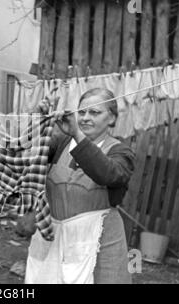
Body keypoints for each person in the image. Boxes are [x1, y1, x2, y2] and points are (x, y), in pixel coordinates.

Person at [23, 88, 135, 284]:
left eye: (94, 112)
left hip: (100, 242)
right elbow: (28, 156)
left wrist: (76, 132)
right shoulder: (61, 143)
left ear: (112, 119)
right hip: (55, 238)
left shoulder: (120, 151)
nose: (85, 118)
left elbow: (108, 174)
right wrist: (39, 121)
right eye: (82, 112)